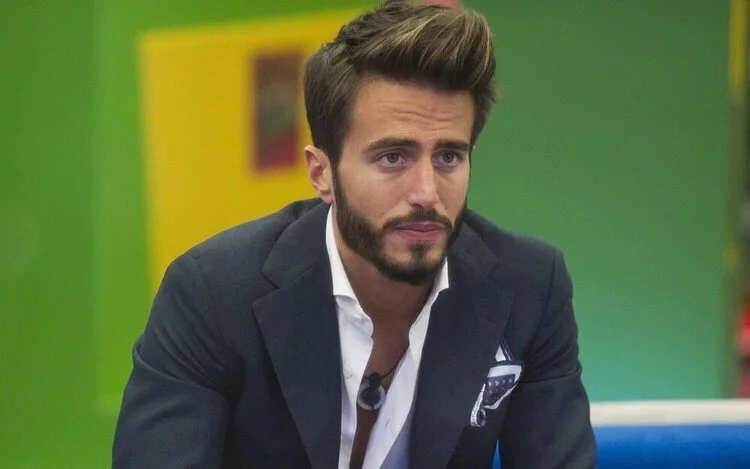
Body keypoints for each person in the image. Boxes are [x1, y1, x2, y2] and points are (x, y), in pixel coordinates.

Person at [113, 1, 596, 467]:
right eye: (393, 157)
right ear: (321, 173)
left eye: (449, 156)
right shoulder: (213, 294)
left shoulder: (530, 287)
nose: (426, 193)